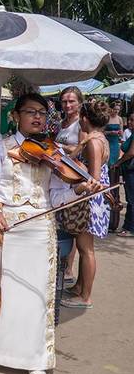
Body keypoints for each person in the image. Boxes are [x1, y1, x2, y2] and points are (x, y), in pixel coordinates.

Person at [0, 93, 98, 374]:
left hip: (40, 230)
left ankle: (33, 357)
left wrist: (77, 191)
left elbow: (57, 195)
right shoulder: (1, 149)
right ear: (16, 116)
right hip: (8, 228)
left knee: (34, 295)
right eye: (31, 112)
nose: (38, 117)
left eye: (42, 113)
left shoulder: (53, 153)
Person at [61, 100, 111, 309]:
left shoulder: (93, 141)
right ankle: (80, 287)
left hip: (90, 200)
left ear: (84, 119)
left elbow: (95, 178)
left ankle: (85, 296)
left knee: (86, 248)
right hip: (94, 200)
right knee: (84, 248)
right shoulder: (99, 137)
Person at [54, 86, 86, 284]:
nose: (67, 105)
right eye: (64, 101)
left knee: (71, 223)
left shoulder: (81, 124)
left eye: (71, 101)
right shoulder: (62, 122)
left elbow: (82, 148)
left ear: (80, 102)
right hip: (61, 175)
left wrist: (61, 147)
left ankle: (68, 268)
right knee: (62, 220)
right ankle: (61, 264)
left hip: (75, 176)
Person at [113, 112, 134, 237]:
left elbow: (131, 152)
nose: (129, 122)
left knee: (131, 200)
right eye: (129, 120)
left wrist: (118, 162)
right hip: (129, 171)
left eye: (132, 120)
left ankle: (129, 227)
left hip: (131, 171)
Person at [104, 101, 124, 231]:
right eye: (115, 109)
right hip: (107, 146)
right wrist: (110, 133)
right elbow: (102, 132)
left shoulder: (120, 119)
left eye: (118, 110)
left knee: (115, 183)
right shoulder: (106, 118)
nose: (116, 112)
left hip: (116, 147)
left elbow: (121, 134)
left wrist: (118, 133)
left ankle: (114, 222)